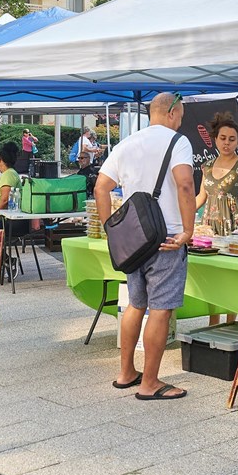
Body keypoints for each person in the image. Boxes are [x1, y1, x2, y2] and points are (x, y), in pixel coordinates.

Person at [94, 91, 194, 401]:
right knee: (160, 311)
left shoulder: (126, 143)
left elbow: (100, 187)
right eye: (181, 115)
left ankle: (126, 373)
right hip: (166, 238)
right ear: (173, 113)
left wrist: (112, 230)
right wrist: (188, 230)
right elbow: (185, 184)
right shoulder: (179, 142)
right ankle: (149, 383)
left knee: (136, 304)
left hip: (134, 240)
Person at [0, 142, 21, 223]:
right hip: (3, 217)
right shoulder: (10, 173)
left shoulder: (8, 175)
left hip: (4, 219)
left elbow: (5, 200)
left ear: (0, 159)